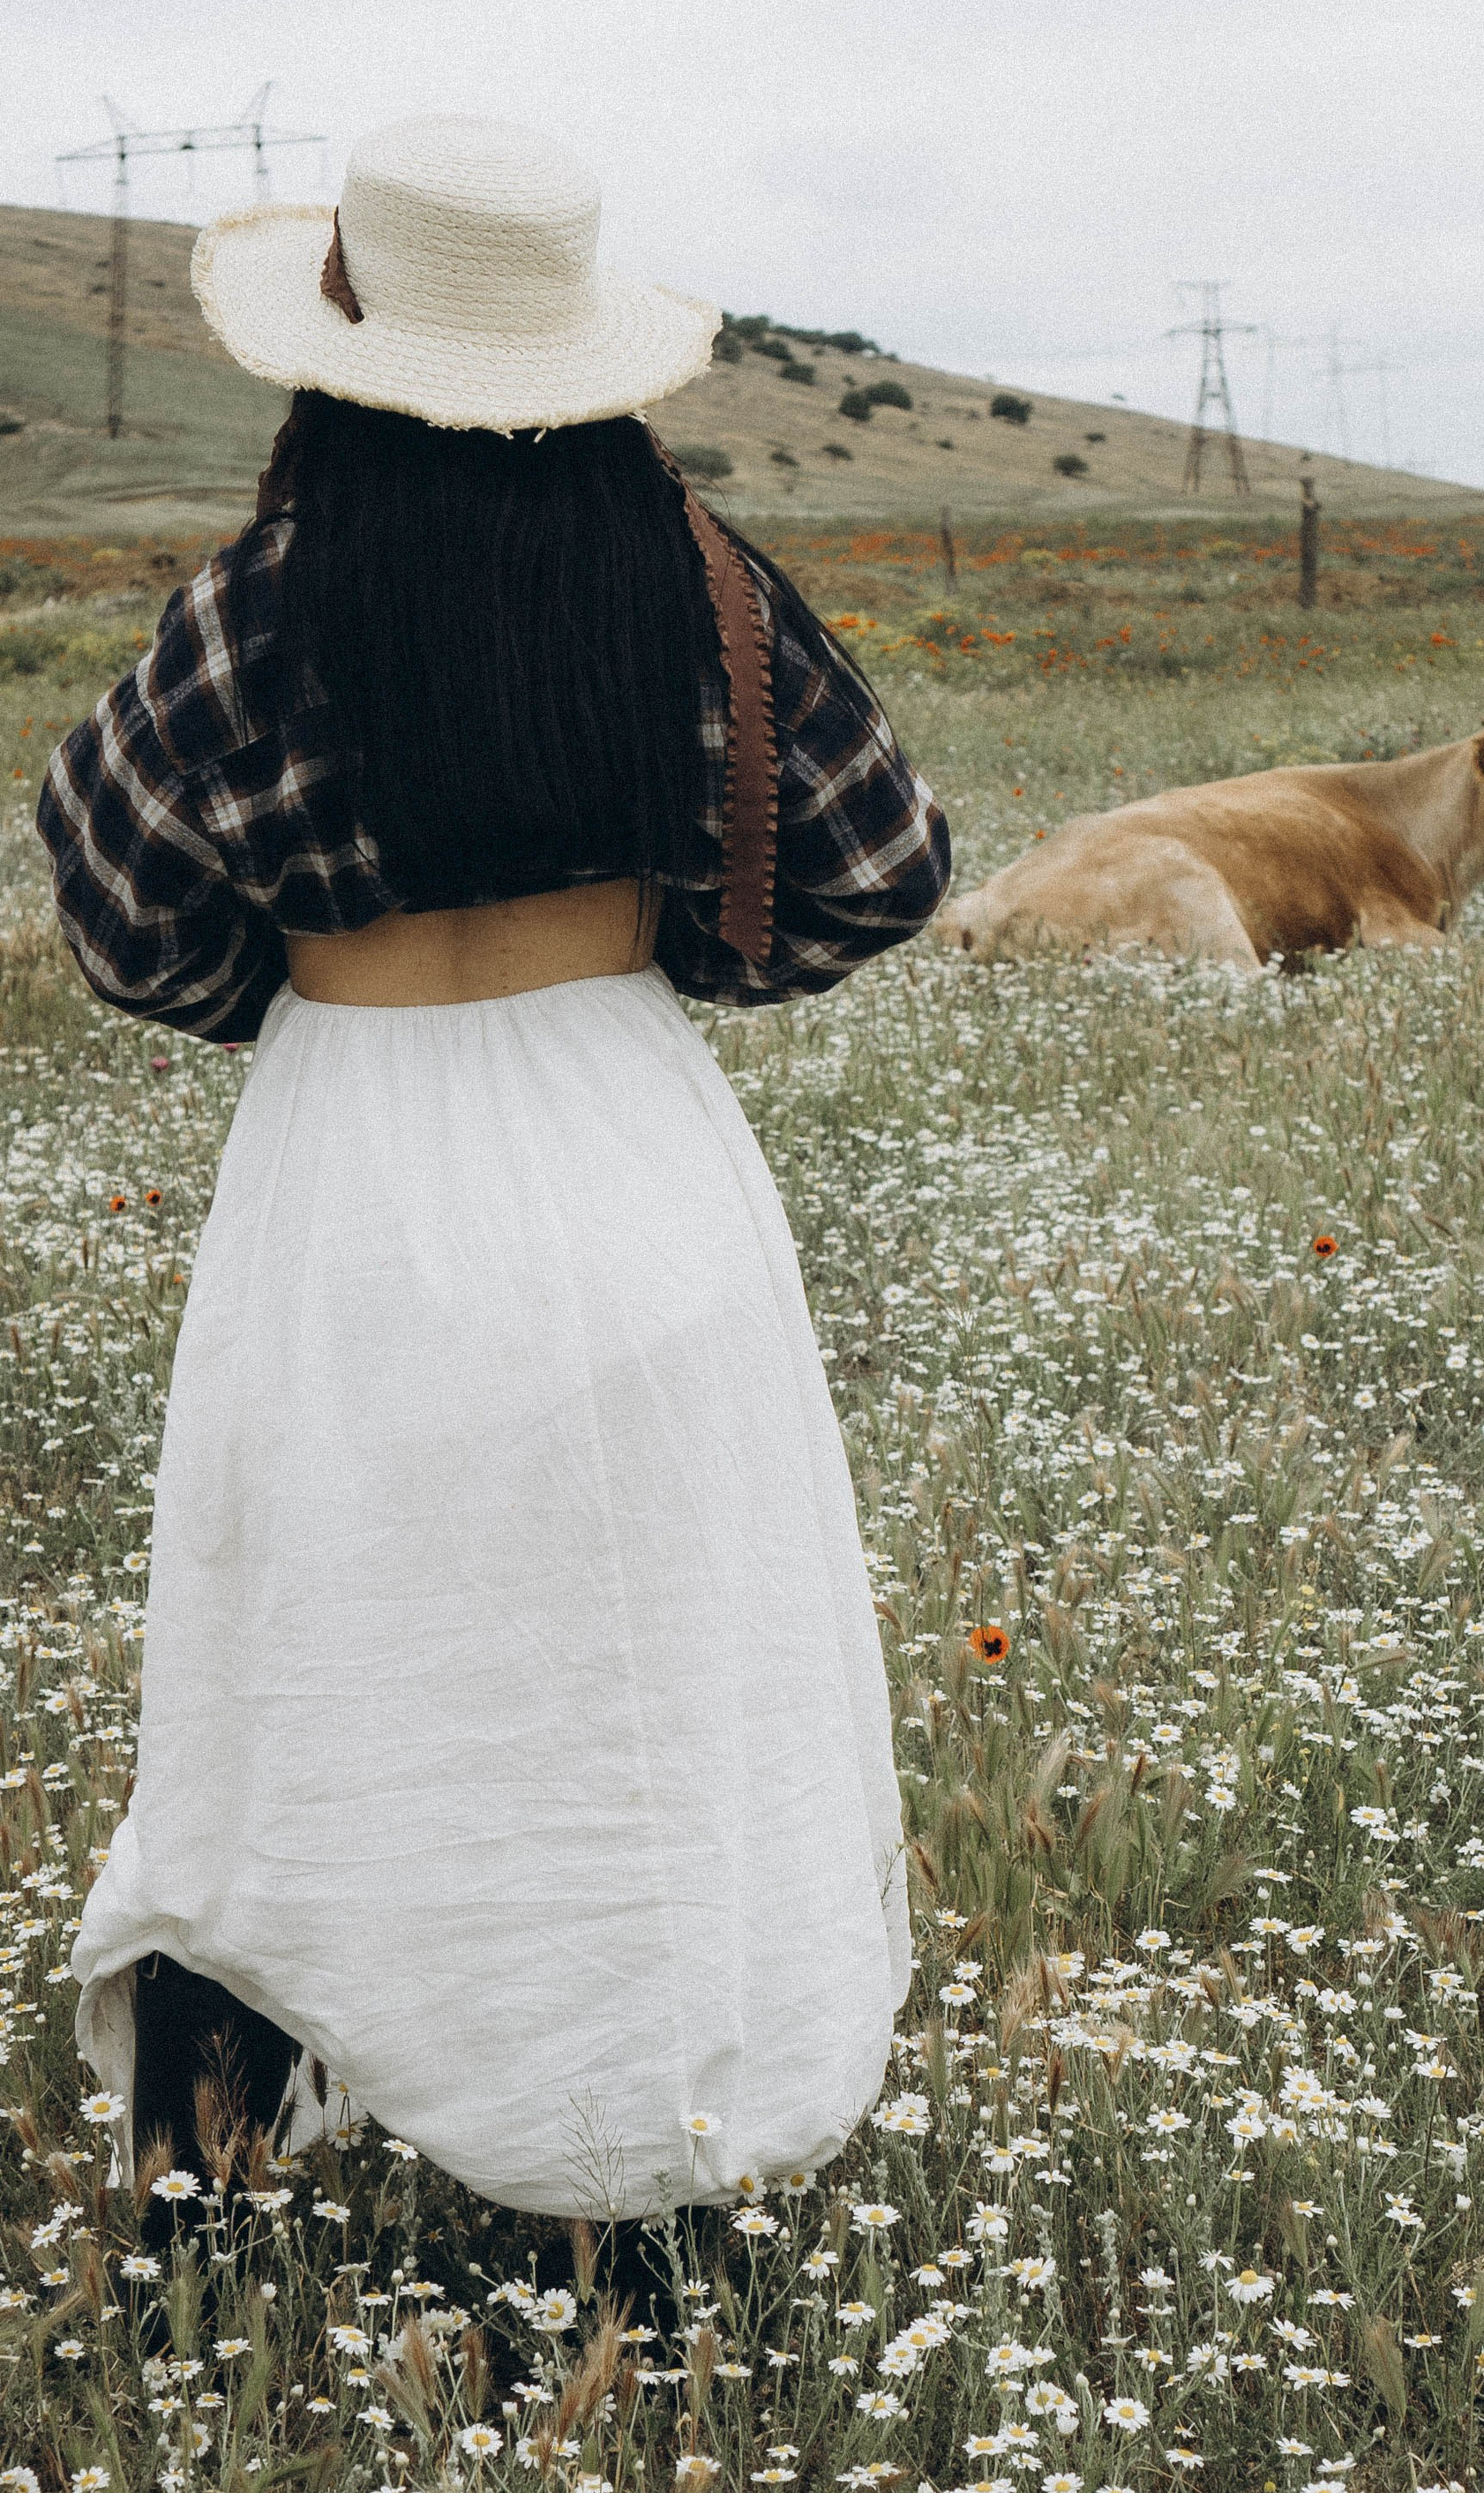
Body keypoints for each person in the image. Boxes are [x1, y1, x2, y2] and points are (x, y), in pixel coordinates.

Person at [38, 114, 949, 2241]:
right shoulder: (692, 583)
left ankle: (209, 2162)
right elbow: (881, 868)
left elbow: (116, 908)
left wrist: (295, 977)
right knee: (638, 1660)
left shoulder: (252, 608)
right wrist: (674, 947)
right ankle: (645, 2173)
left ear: (335, 357)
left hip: (348, 1155)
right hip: (630, 1151)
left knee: (308, 1656)